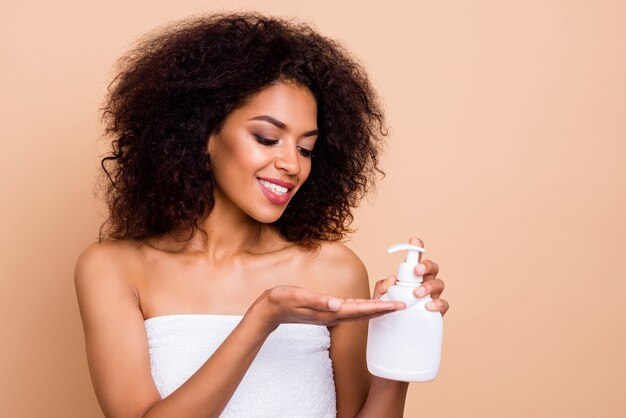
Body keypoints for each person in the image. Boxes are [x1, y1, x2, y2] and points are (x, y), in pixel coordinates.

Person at [74, 11, 449, 418]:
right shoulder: (115, 269)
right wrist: (263, 318)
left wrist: (400, 341)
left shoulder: (334, 271)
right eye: (267, 138)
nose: (292, 164)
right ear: (203, 134)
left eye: (305, 148)